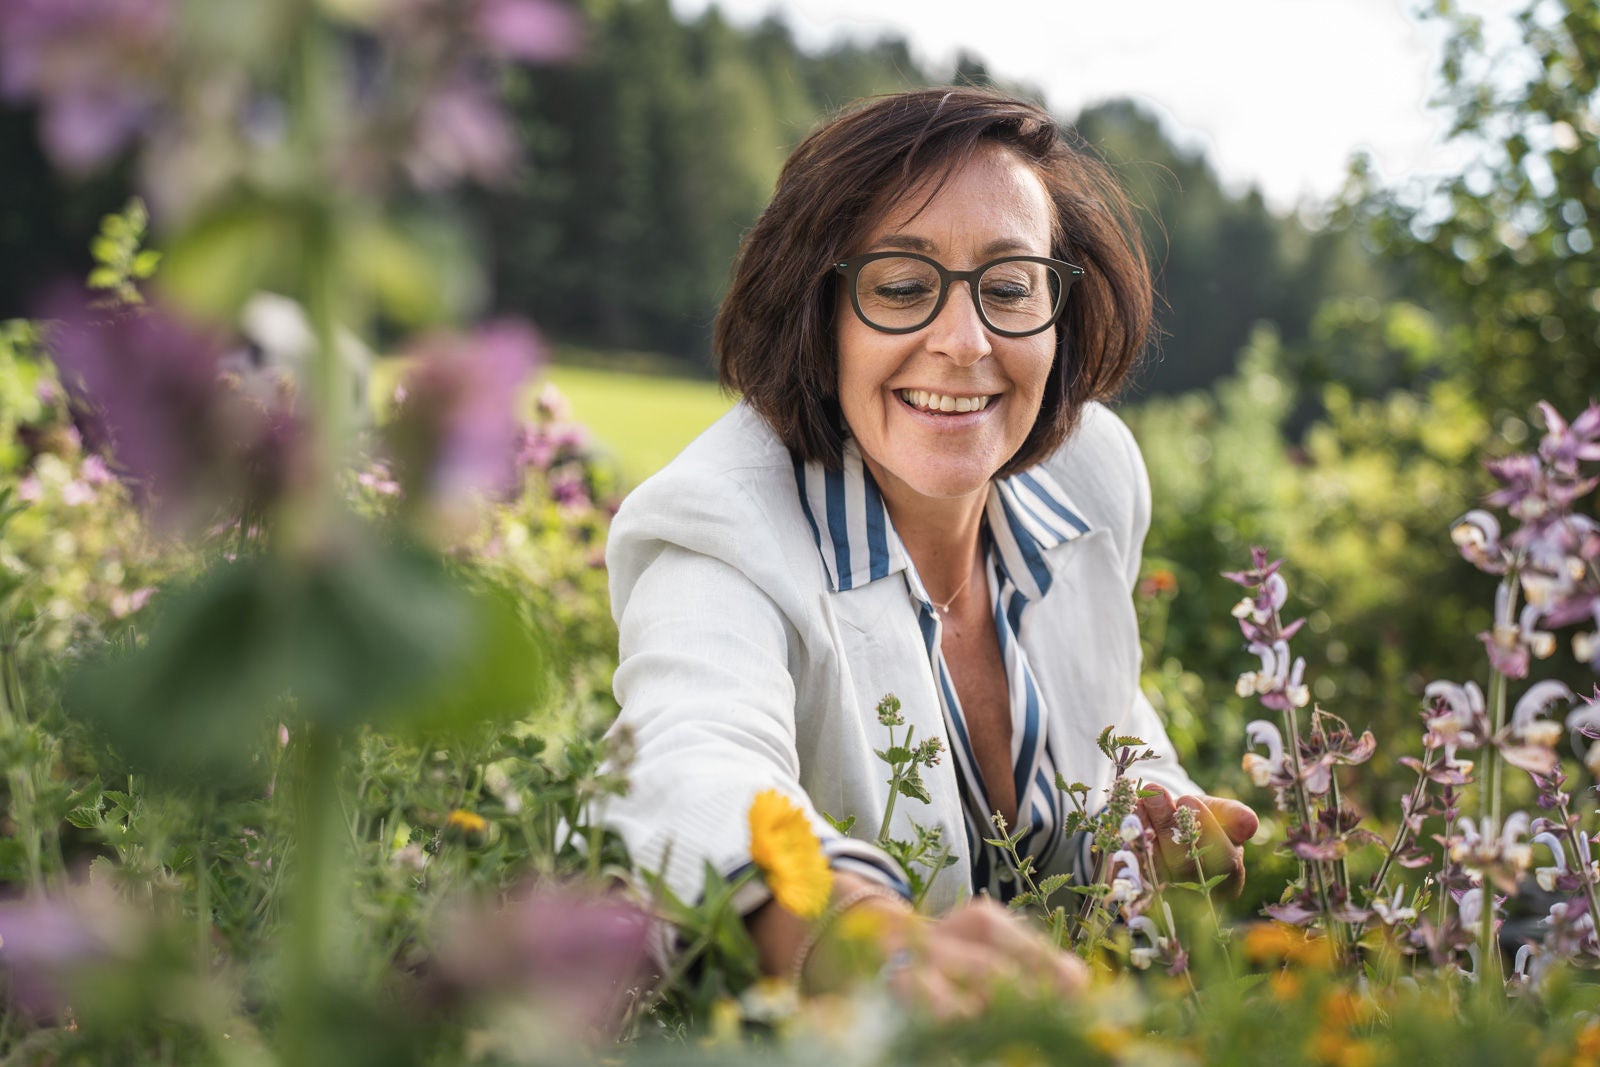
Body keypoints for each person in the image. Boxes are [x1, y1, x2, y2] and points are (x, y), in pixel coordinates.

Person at [598, 87, 1256, 1012]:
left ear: (1060, 310)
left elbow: (1106, 701)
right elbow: (683, 767)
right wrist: (863, 936)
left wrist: (1154, 803)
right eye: (903, 287)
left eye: (1011, 287)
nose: (964, 341)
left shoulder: (1093, 471)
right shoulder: (720, 527)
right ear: (816, 312)